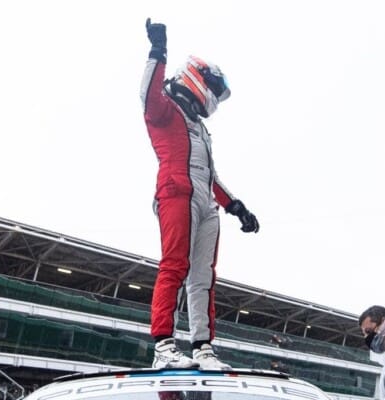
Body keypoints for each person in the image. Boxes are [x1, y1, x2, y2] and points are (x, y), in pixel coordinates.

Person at [140, 18, 259, 370]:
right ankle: (163, 346)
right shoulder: (165, 110)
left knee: (204, 277)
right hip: (176, 192)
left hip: (206, 202)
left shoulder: (201, 129)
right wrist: (158, 50)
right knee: (175, 265)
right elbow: (147, 95)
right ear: (197, 78)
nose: (214, 97)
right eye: (212, 87)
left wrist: (237, 207)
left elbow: (212, 177)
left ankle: (202, 348)